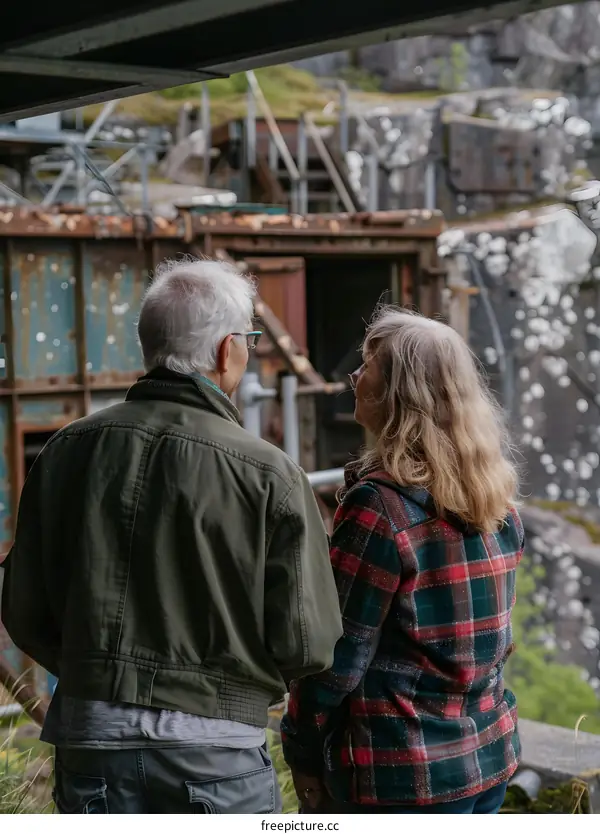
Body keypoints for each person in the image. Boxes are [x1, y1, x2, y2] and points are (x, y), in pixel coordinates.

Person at [1, 257, 342, 814]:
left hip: (91, 738)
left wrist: (95, 670)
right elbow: (308, 640)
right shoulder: (268, 472)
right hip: (216, 752)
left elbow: (24, 607)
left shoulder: (66, 451)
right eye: (251, 340)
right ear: (228, 349)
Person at [281, 306, 524, 814]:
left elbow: (335, 658)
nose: (352, 376)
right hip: (488, 760)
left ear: (398, 391)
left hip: (403, 777)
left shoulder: (378, 509)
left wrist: (300, 749)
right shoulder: (497, 500)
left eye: (367, 364)